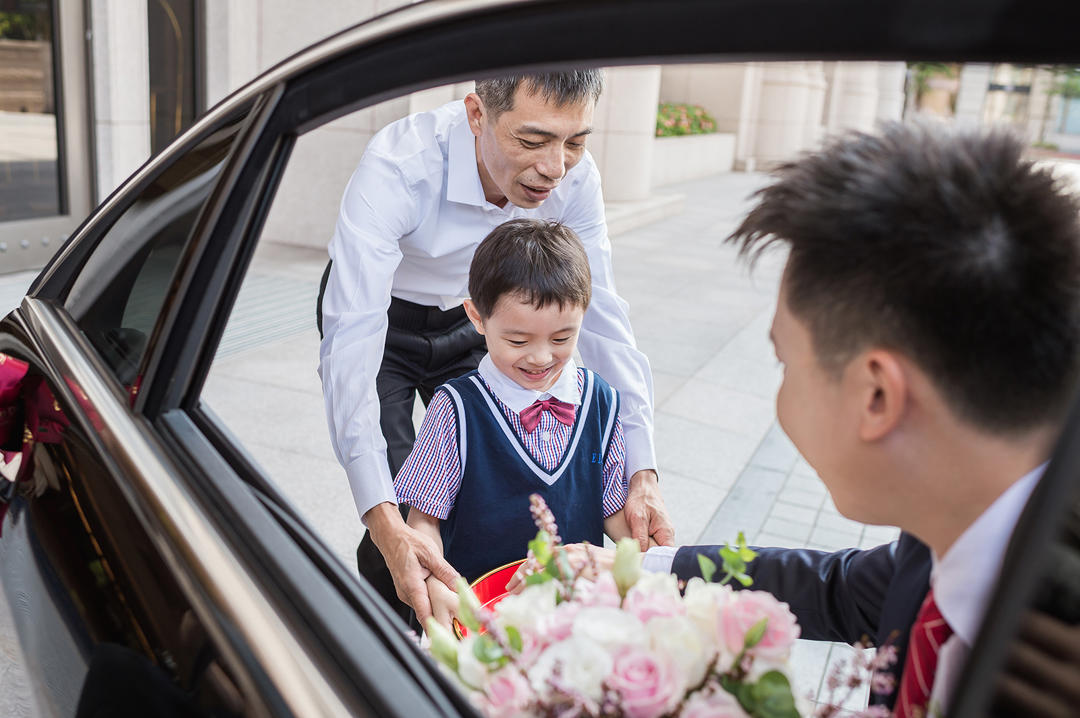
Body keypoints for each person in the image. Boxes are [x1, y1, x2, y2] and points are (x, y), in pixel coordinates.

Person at [551, 122, 1080, 717]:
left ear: (876, 395)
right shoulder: (950, 530)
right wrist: (642, 568)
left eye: (783, 360)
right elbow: (844, 592)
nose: (780, 396)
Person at [318, 70, 673, 626]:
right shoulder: (400, 165)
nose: (555, 167)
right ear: (477, 114)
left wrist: (642, 472)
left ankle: (489, 628)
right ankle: (398, 637)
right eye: (531, 141)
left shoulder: (574, 179)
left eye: (576, 141)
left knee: (482, 480)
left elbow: (602, 315)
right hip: (384, 321)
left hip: (479, 320)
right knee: (401, 511)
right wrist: (378, 512)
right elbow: (352, 335)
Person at [394, 218, 639, 627]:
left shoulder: (602, 402)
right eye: (518, 341)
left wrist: (655, 569)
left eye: (562, 339)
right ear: (476, 317)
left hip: (576, 620)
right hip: (480, 618)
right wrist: (437, 585)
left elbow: (615, 513)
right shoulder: (455, 408)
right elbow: (423, 519)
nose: (541, 358)